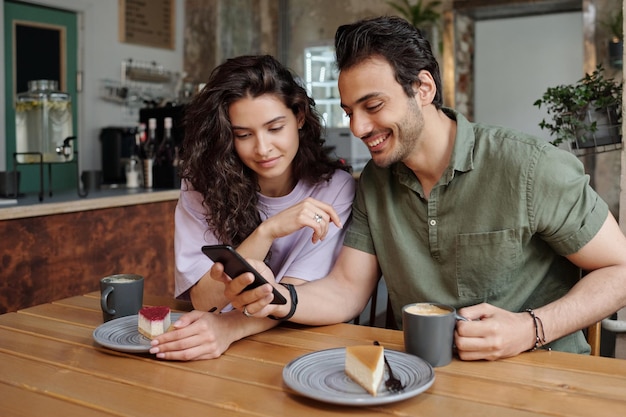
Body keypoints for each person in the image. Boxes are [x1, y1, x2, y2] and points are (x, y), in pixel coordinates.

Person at [215, 16, 626, 361]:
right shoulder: (376, 182)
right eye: (349, 111)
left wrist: (531, 327)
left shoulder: (529, 166)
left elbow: (620, 270)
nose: (357, 128)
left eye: (372, 106)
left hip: (545, 376)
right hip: (423, 378)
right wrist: (280, 298)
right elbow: (346, 289)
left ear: (423, 88)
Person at [149, 55, 355, 360]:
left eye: (274, 128)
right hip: (213, 340)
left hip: (302, 344)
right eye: (243, 135)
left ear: (299, 116)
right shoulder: (201, 187)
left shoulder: (335, 188)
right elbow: (205, 301)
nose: (262, 148)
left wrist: (229, 328)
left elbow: (292, 295)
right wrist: (267, 231)